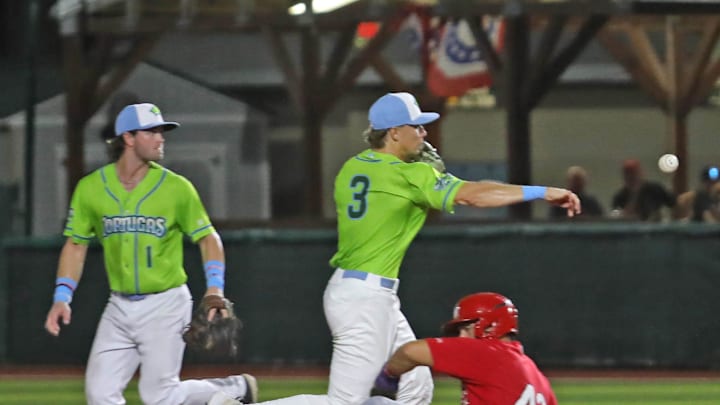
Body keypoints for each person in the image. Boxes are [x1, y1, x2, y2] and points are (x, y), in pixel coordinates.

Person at [208, 92, 579, 405]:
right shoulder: (407, 174)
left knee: (417, 383)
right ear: (394, 132)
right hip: (364, 296)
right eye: (416, 126)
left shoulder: (352, 168)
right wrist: (542, 191)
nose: (423, 132)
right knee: (344, 403)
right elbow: (475, 196)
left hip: (365, 292)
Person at [43, 103, 258, 405]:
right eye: (152, 131)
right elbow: (75, 245)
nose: (161, 138)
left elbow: (208, 239)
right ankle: (234, 388)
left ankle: (233, 388)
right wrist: (62, 297)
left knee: (159, 396)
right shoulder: (91, 188)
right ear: (128, 138)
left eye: (162, 131)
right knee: (99, 393)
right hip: (118, 306)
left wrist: (214, 288)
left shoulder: (176, 188)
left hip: (165, 304)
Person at [367, 292, 558, 405]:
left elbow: (410, 352)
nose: (461, 337)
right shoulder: (537, 377)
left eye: (466, 329)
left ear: (490, 327)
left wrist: (389, 376)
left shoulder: (489, 354)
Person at [611, 159, 675, 221]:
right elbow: (619, 217)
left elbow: (673, 203)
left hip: (655, 228)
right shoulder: (620, 197)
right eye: (628, 175)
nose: (632, 177)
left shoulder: (655, 189)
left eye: (634, 174)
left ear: (640, 173)